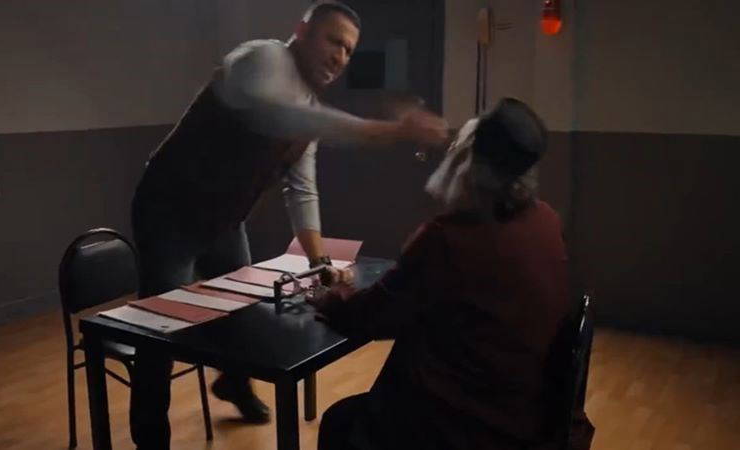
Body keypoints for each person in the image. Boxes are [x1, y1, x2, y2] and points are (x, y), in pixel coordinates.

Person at [129, 1, 448, 448]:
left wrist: (320, 263)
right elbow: (278, 114)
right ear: (302, 30)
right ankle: (150, 436)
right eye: (333, 41)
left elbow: (301, 191)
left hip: (224, 220)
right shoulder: (261, 59)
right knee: (161, 327)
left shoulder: (309, 106)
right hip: (168, 212)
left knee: (240, 307)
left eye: (349, 50)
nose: (340, 56)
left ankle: (234, 383)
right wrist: (390, 131)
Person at [309, 98, 595, 450]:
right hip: (531, 415)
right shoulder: (545, 221)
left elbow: (372, 316)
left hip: (469, 427)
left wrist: (329, 298)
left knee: (340, 423)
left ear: (470, 165)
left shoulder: (448, 239)